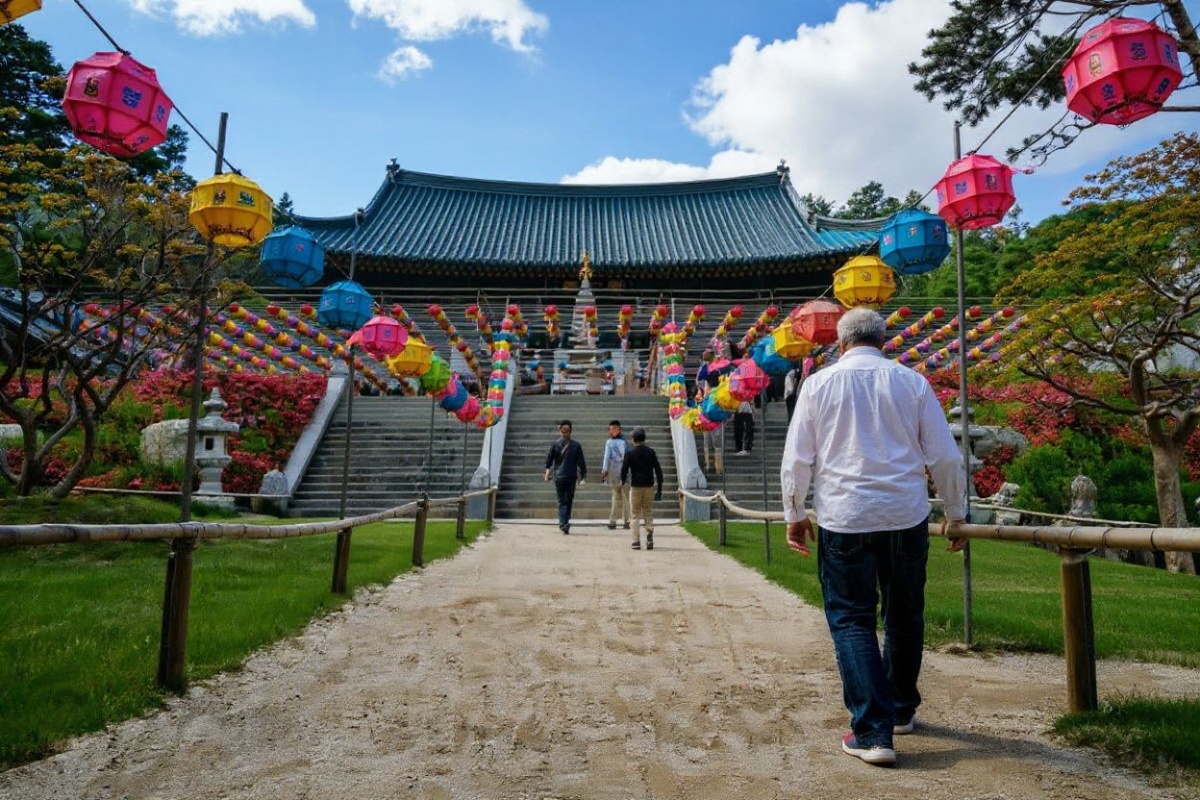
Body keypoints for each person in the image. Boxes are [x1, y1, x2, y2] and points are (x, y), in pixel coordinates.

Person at [780, 307, 967, 768]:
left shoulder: (819, 385)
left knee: (852, 620)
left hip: (845, 515)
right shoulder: (912, 383)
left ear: (840, 344)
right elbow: (944, 456)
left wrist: (795, 512)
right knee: (905, 615)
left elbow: (797, 459)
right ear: (884, 340)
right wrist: (957, 513)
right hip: (905, 514)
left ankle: (871, 729)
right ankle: (900, 710)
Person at [620, 427, 663, 550]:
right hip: (649, 485)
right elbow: (658, 471)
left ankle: (636, 541)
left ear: (633, 439)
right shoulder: (651, 452)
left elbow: (624, 469)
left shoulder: (630, 452)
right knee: (648, 511)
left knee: (634, 514)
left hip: (636, 486)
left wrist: (623, 481)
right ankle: (649, 535)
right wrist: (659, 488)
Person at [544, 419, 587, 534]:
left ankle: (564, 523)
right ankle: (564, 522)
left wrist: (547, 473)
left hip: (561, 476)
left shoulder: (556, 444)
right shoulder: (576, 445)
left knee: (563, 500)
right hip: (569, 476)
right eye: (564, 430)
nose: (565, 432)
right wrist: (583, 475)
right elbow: (581, 463)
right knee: (567, 500)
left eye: (566, 430)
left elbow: (548, 461)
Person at [600, 419, 631, 530]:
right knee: (619, 497)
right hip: (616, 472)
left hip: (620, 472)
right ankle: (621, 521)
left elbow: (607, 457)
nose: (612, 431)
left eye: (614, 429)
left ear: (619, 430)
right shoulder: (621, 443)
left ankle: (620, 521)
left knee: (622, 497)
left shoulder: (618, 443)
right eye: (611, 429)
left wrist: (604, 470)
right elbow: (606, 457)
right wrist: (605, 470)